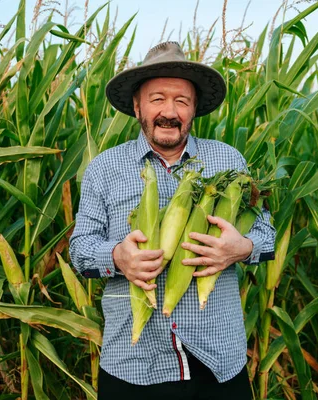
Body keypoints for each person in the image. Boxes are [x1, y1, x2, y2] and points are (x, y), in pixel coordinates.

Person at [69, 41, 275, 399]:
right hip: (133, 363)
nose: (169, 111)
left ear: (194, 108)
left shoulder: (228, 160)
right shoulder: (105, 168)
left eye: (181, 100)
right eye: (157, 99)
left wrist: (241, 248)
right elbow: (80, 249)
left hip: (218, 360)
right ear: (137, 106)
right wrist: (118, 256)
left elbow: (266, 232)